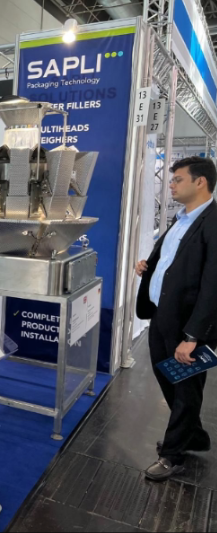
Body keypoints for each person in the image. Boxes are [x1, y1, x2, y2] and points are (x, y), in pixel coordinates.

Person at [135, 156, 217, 481]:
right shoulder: (181, 218)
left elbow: (213, 286)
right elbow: (175, 261)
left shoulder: (213, 222)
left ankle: (173, 455)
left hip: (188, 327)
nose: (171, 184)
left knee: (185, 390)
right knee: (166, 377)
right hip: (162, 315)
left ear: (200, 182)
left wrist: (193, 336)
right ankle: (193, 436)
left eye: (177, 179)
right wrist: (149, 267)